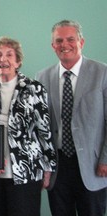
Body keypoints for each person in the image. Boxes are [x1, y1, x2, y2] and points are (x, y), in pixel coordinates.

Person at [36, 19, 107, 216]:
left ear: (81, 42)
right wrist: (43, 166)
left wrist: (106, 159)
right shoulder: (42, 77)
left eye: (70, 39)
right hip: (58, 166)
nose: (64, 45)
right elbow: (40, 126)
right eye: (59, 41)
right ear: (53, 46)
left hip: (93, 166)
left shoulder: (102, 73)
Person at [0, 36, 56, 216]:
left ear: (18, 61)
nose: (3, 59)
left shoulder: (34, 88)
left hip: (26, 170)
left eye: (9, 55)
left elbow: (44, 129)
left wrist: (48, 167)